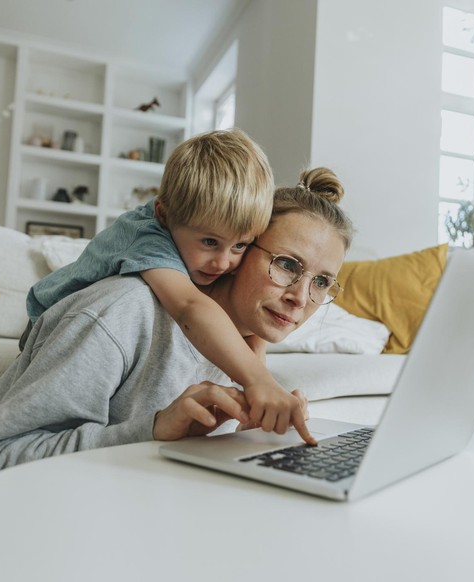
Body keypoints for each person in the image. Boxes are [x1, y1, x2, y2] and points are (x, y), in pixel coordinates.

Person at [0, 167, 354, 582]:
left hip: (134, 528)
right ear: (240, 246)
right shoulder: (119, 313)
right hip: (18, 542)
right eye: (288, 265)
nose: (301, 297)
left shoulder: (243, 347)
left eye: (322, 282)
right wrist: (154, 428)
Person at [23, 128, 313, 443]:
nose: (223, 262)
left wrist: (261, 385)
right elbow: (189, 307)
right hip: (47, 320)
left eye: (240, 246)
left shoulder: (195, 226)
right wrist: (258, 381)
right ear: (164, 214)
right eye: (210, 242)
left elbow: (250, 330)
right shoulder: (148, 237)